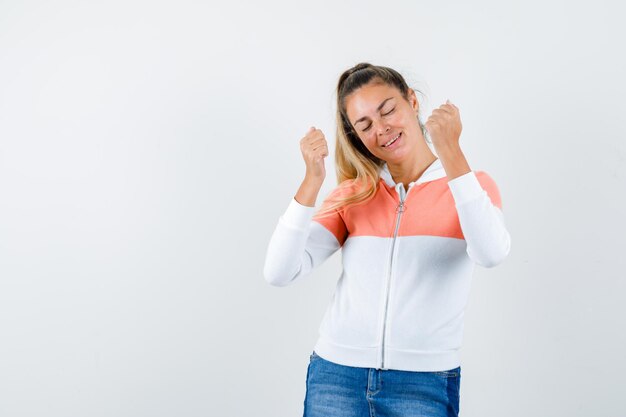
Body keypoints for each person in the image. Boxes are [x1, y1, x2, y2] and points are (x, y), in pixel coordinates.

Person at [263, 62, 511, 417]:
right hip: (336, 376)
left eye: (388, 110)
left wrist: (453, 154)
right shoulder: (354, 193)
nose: (381, 129)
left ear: (412, 101)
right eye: (364, 125)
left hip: (423, 383)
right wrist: (311, 181)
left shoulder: (470, 186)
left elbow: (491, 253)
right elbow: (279, 271)